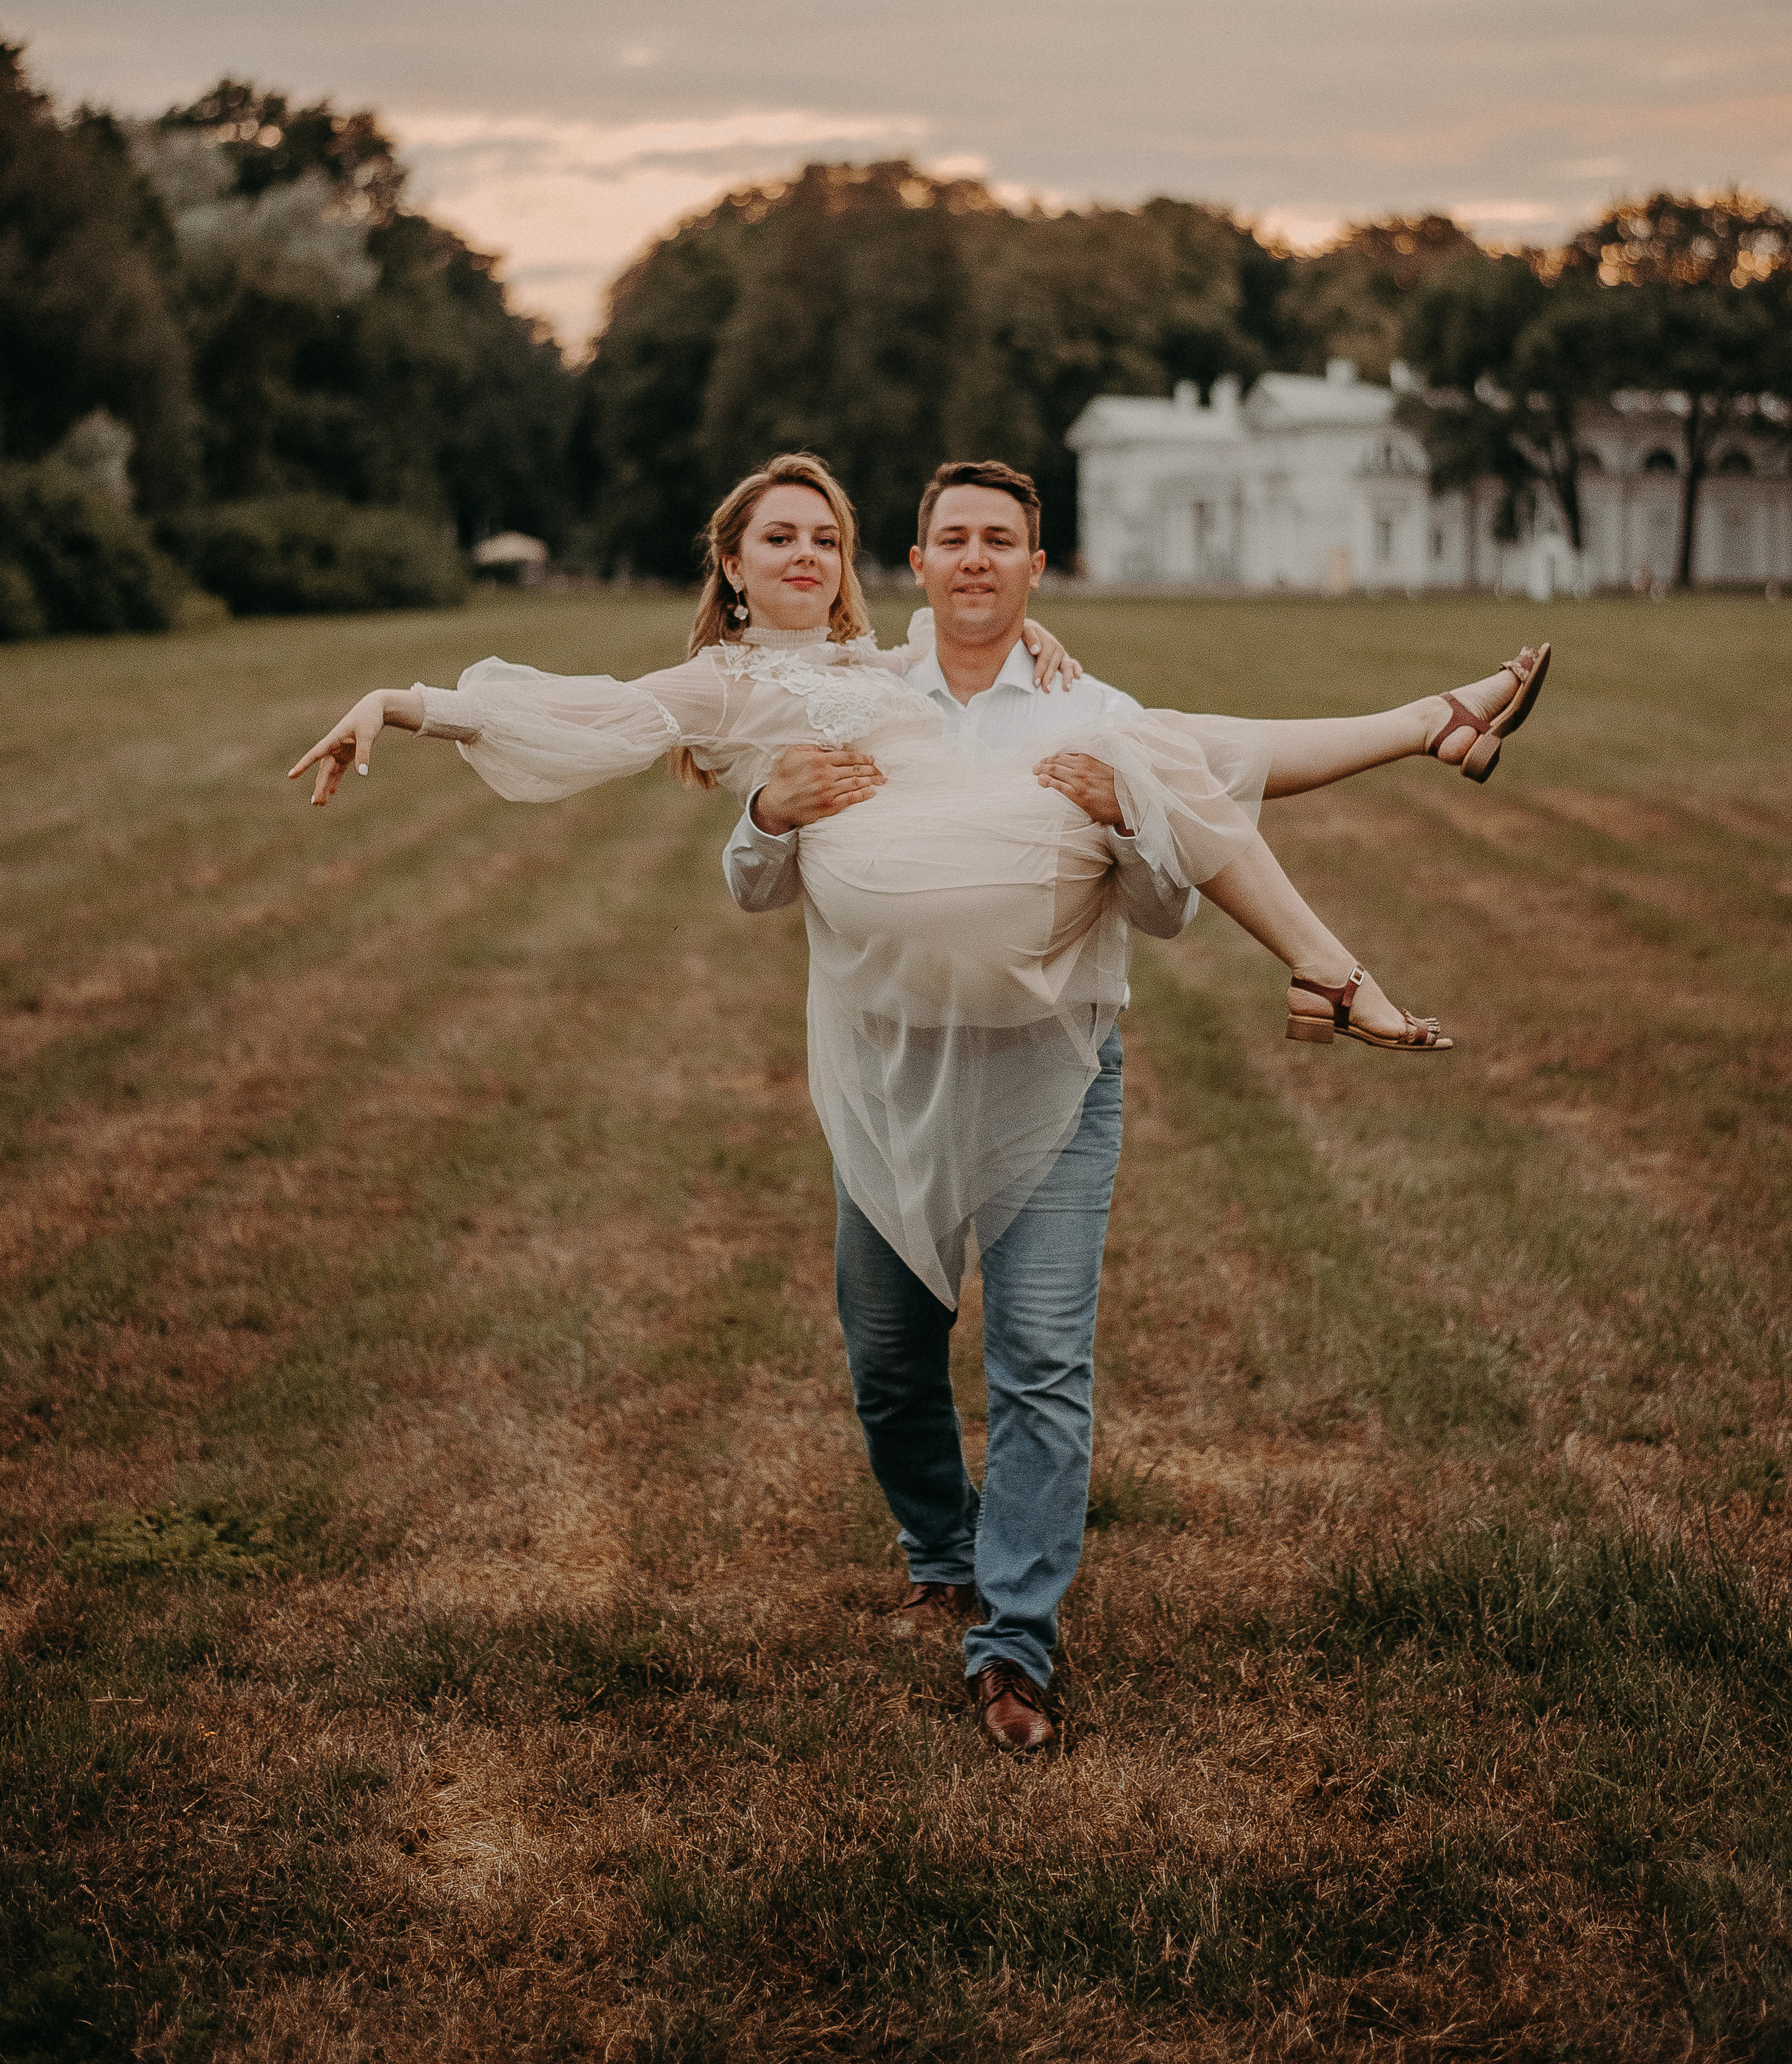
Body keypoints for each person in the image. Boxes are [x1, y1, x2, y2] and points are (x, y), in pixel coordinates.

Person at [288, 450, 1549, 1752]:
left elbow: (1170, 892)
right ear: (742, 564)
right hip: (888, 1064)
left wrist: (1116, 796)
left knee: (1043, 1359)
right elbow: (587, 719)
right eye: (780, 539)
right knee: (891, 1365)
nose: (805, 559)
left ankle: (1013, 1645)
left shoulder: (1007, 685)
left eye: (824, 542)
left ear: (1001, 564)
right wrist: (404, 701)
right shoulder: (776, 686)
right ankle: (941, 1542)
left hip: (1050, 1061)